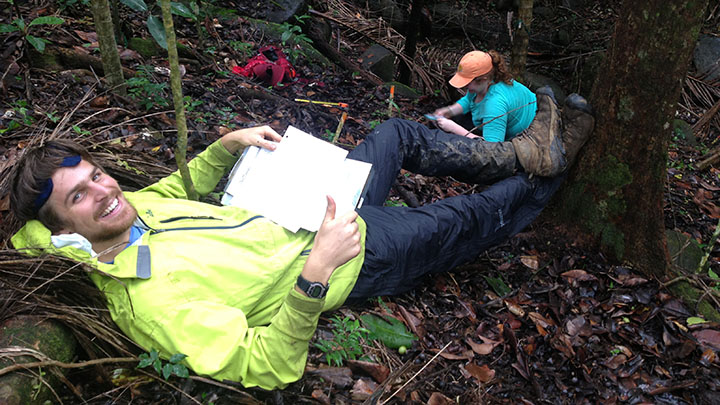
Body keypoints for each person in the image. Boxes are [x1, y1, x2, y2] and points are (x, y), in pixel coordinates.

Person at [9, 90, 594, 390]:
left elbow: (174, 185)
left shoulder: (133, 210)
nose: (104, 191)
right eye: (80, 196)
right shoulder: (150, 302)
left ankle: (523, 153)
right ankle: (545, 179)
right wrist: (315, 274)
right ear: (62, 227)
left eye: (95, 176)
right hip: (347, 255)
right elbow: (266, 366)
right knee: (465, 218)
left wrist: (227, 146)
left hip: (306, 205)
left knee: (393, 134)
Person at [433, 50, 537, 142]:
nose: (465, 86)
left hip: (528, 133)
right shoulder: (485, 83)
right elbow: (468, 100)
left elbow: (492, 147)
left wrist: (453, 128)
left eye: (468, 82)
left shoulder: (495, 104)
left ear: (483, 79)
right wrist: (448, 111)